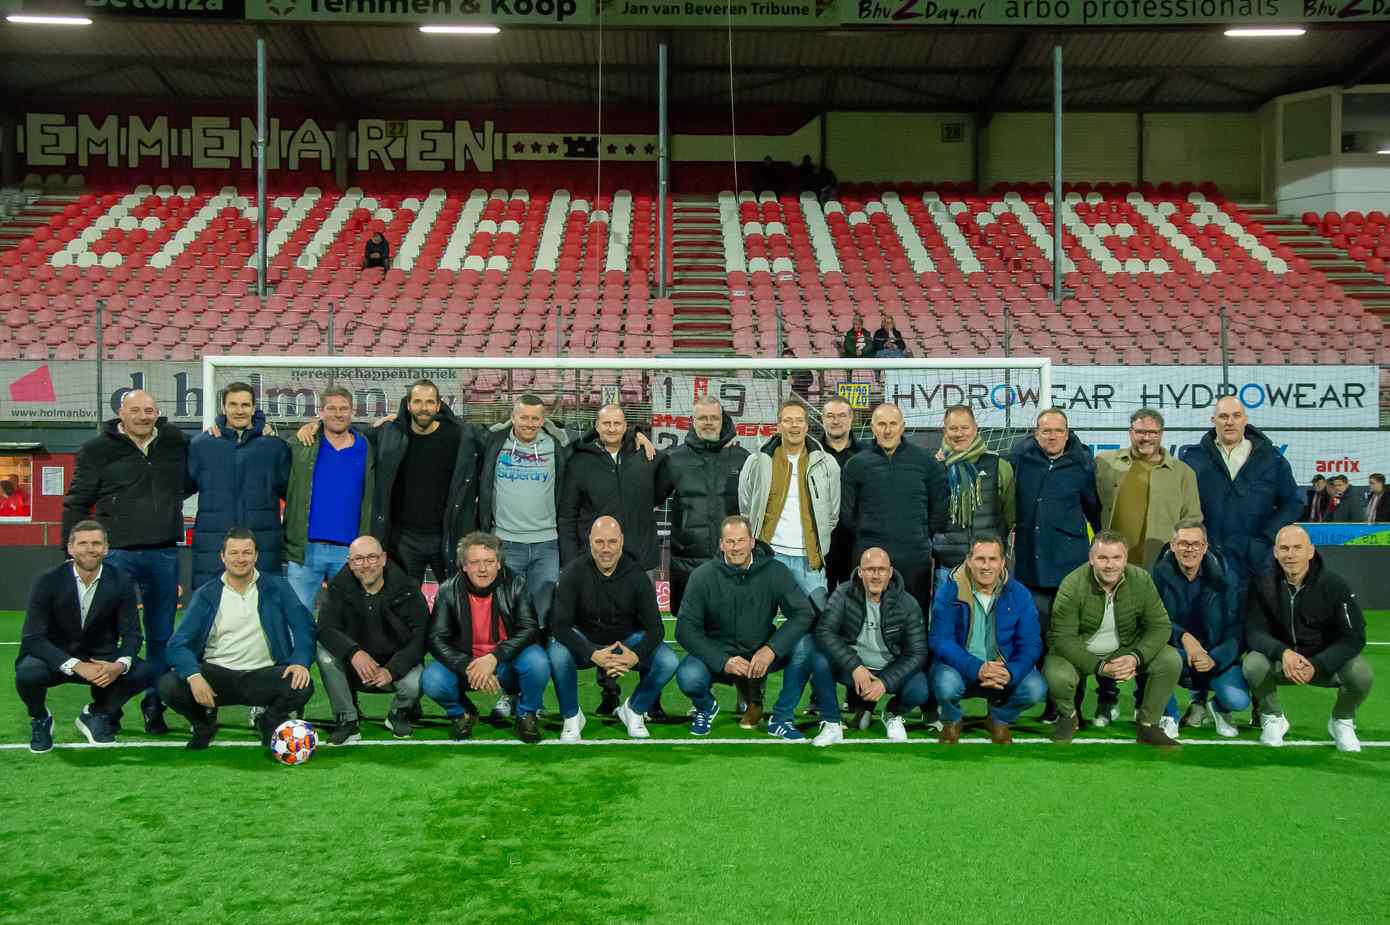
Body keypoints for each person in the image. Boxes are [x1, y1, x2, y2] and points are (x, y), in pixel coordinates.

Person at [62, 389, 189, 735]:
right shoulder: (96, 450)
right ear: (121, 413)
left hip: (164, 552)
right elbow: (77, 501)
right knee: (108, 637)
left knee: (163, 635)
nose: (143, 416)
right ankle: (108, 708)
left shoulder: (174, 440)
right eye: (136, 410)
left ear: (157, 412)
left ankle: (154, 705)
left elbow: (187, 481)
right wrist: (68, 550)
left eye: (149, 410)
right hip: (116, 554)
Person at [158, 529, 316, 750]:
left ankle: (269, 721)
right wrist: (194, 676)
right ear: (222, 556)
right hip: (217, 676)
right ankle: (203, 723)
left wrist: (300, 661)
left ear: (256, 556)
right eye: (234, 553)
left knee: (302, 685)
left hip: (264, 674)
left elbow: (304, 626)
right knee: (169, 685)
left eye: (246, 552)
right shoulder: (206, 593)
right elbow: (177, 643)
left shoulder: (277, 587)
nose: (240, 559)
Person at [674, 516, 825, 740]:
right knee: (688, 675)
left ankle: (781, 718)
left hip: (762, 651)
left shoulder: (776, 571)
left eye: (741, 540)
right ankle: (705, 707)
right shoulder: (702, 576)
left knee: (806, 645)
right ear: (721, 544)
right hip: (720, 654)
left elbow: (803, 613)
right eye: (730, 542)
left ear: (752, 542)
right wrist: (723, 660)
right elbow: (684, 629)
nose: (736, 547)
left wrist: (771, 649)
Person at [16, 520, 159, 752]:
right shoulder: (48, 580)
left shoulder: (121, 581)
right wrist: (75, 665)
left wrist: (120, 665)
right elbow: (32, 638)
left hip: (100, 659)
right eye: (82, 543)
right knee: (27, 671)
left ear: (106, 548)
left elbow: (132, 634)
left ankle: (97, 714)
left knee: (143, 671)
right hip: (56, 658)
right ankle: (40, 718)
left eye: (96, 543)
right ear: (70, 548)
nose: (90, 549)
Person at [1043, 531, 1181, 748]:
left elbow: (1161, 626)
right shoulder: (1072, 583)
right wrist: (1101, 667)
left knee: (1170, 659)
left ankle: (1148, 726)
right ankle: (1068, 717)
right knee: (1056, 673)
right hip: (1082, 650)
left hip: (1125, 649)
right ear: (1091, 559)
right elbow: (1062, 638)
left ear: (1125, 559)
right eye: (1103, 558)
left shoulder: (1141, 579)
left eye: (1116, 558)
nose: (1110, 565)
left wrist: (1136, 657)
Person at [1243, 525, 1373, 752]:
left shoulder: (1334, 585)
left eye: (1297, 548)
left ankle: (1341, 720)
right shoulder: (1262, 583)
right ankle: (1273, 717)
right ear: (1275, 552)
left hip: (1323, 663)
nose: (1290, 554)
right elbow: (1254, 631)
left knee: (1360, 673)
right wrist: (1283, 653)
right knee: (1253, 664)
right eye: (1284, 548)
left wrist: (1318, 664)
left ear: (1310, 551)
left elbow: (1353, 636)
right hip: (1283, 661)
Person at [547, 517, 677, 742]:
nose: (605, 549)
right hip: (587, 644)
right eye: (599, 542)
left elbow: (656, 628)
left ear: (622, 542)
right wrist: (593, 654)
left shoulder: (637, 575)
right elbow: (559, 626)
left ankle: (634, 710)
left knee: (669, 661)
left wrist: (633, 655)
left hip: (627, 644)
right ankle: (572, 717)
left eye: (612, 542)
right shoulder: (573, 572)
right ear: (590, 542)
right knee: (557, 654)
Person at [1010, 408, 1101, 722]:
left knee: (1069, 640)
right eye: (1045, 431)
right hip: (1028, 572)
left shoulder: (1082, 466)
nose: (1051, 436)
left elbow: (1095, 513)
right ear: (1036, 433)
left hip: (1068, 572)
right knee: (1034, 638)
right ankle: (1047, 702)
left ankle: (1068, 707)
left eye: (1058, 431)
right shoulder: (1021, 462)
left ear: (1067, 433)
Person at [421, 532, 549, 743]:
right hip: (467, 667)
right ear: (464, 566)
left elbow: (530, 628)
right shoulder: (447, 590)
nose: (482, 569)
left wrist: (494, 658)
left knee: (538, 660)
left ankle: (526, 714)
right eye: (475, 562)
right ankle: (461, 714)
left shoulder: (516, 583)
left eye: (489, 562)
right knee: (432, 679)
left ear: (498, 564)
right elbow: (436, 639)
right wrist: (469, 665)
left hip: (505, 663)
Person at [927, 535, 1046, 745]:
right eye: (980, 559)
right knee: (945, 684)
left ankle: (1000, 718)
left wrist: (1011, 671)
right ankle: (953, 720)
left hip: (1003, 670)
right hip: (961, 669)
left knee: (1035, 688)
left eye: (993, 559)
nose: (986, 566)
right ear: (969, 561)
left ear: (1002, 563)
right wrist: (977, 668)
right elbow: (940, 640)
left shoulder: (1019, 594)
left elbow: (1031, 644)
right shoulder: (949, 591)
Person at [1179, 395, 1301, 597]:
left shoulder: (1272, 459)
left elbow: (1293, 503)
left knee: (1251, 622)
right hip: (1206, 560)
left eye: (1236, 416)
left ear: (1245, 419)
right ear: (1213, 420)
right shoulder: (1193, 459)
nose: (1229, 422)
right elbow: (1181, 505)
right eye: (1223, 416)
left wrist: (1264, 539)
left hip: (1255, 562)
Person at [809, 547, 929, 747]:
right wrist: (855, 666)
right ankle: (832, 723)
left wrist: (884, 682)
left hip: (889, 668)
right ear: (860, 572)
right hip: (854, 668)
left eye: (881, 570)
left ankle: (892, 713)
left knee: (920, 689)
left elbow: (917, 653)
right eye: (870, 569)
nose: (876, 575)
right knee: (819, 659)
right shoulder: (843, 593)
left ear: (890, 573)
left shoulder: (907, 603)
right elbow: (824, 631)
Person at [315, 535, 429, 745]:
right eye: (358, 559)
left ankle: (399, 713)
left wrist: (392, 670)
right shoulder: (338, 587)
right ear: (350, 563)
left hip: (393, 667)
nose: (365, 565)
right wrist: (354, 653)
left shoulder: (408, 589)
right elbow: (325, 628)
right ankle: (347, 720)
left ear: (384, 558)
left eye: (372, 557)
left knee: (419, 680)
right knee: (324, 652)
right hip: (355, 666)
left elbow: (421, 638)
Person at [840, 402, 948, 614]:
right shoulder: (856, 465)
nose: (887, 430)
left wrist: (917, 536)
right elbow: (846, 516)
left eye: (893, 424)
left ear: (903, 426)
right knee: (867, 617)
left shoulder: (926, 462)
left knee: (914, 616)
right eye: (881, 424)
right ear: (872, 428)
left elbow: (940, 510)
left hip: (914, 557)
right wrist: (869, 537)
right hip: (869, 556)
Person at [187, 382, 290, 592]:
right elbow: (182, 486)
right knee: (212, 615)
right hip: (212, 546)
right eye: (233, 404)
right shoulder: (201, 445)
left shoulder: (274, 446)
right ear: (223, 408)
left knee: (263, 613)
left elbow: (292, 494)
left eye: (245, 405)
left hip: (263, 545)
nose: (239, 410)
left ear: (254, 408)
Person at [1150, 519, 1249, 738]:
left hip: (1214, 655)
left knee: (1238, 700)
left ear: (1205, 547)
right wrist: (1184, 637)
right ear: (1173, 545)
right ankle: (1169, 715)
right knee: (1154, 658)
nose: (1190, 549)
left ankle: (1219, 708)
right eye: (1184, 543)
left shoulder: (1227, 577)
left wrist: (1214, 658)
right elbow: (1152, 621)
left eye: (1196, 544)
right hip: (1176, 653)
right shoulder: (1156, 576)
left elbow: (1236, 630)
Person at [478, 394, 570, 628]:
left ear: (543, 420)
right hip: (504, 541)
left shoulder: (556, 445)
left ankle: (538, 661)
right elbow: (460, 430)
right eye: (524, 417)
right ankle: (504, 661)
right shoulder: (494, 442)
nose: (529, 423)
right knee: (504, 613)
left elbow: (598, 436)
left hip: (546, 543)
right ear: (512, 418)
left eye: (535, 418)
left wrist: (635, 434)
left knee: (542, 614)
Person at [283, 386, 375, 613]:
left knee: (347, 622)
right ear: (321, 412)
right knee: (298, 620)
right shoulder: (301, 444)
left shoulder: (367, 447)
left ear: (352, 412)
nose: (338, 413)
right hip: (305, 549)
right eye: (331, 408)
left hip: (350, 552)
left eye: (344, 408)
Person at [739, 397, 840, 597]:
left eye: (799, 420)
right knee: (758, 618)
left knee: (816, 617)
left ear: (807, 426)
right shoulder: (756, 461)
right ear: (778, 425)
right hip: (768, 555)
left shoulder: (827, 464)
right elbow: (745, 507)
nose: (794, 426)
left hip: (809, 559)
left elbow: (832, 515)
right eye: (788, 420)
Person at [1095, 408, 1202, 568]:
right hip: (1112, 563)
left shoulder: (1183, 473)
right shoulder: (1105, 463)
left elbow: (1192, 520)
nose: (1146, 438)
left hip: (1162, 565)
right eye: (1140, 432)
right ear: (1130, 432)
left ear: (1161, 433)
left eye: (1153, 432)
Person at [932, 404, 1015, 593]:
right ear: (945, 431)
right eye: (953, 428)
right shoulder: (934, 469)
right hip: (948, 566)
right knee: (947, 622)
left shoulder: (999, 466)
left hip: (989, 567)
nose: (959, 433)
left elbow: (1009, 515)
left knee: (992, 621)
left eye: (964, 428)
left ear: (975, 429)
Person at [818, 396, 862, 592]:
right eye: (830, 416)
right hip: (819, 542)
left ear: (851, 419)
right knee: (818, 604)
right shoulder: (810, 453)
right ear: (822, 419)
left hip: (856, 543)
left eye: (842, 415)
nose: (836, 421)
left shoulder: (866, 455)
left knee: (853, 603)